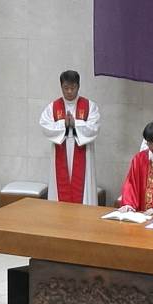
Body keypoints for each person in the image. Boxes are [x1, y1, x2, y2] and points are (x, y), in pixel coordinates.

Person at [41, 69, 102, 204]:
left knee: (83, 189)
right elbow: (45, 126)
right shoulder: (53, 107)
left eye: (73, 88)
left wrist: (76, 124)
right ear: (61, 86)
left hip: (83, 150)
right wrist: (63, 124)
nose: (69, 91)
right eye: (66, 88)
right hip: (60, 148)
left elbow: (94, 127)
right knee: (60, 188)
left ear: (78, 86)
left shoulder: (89, 106)